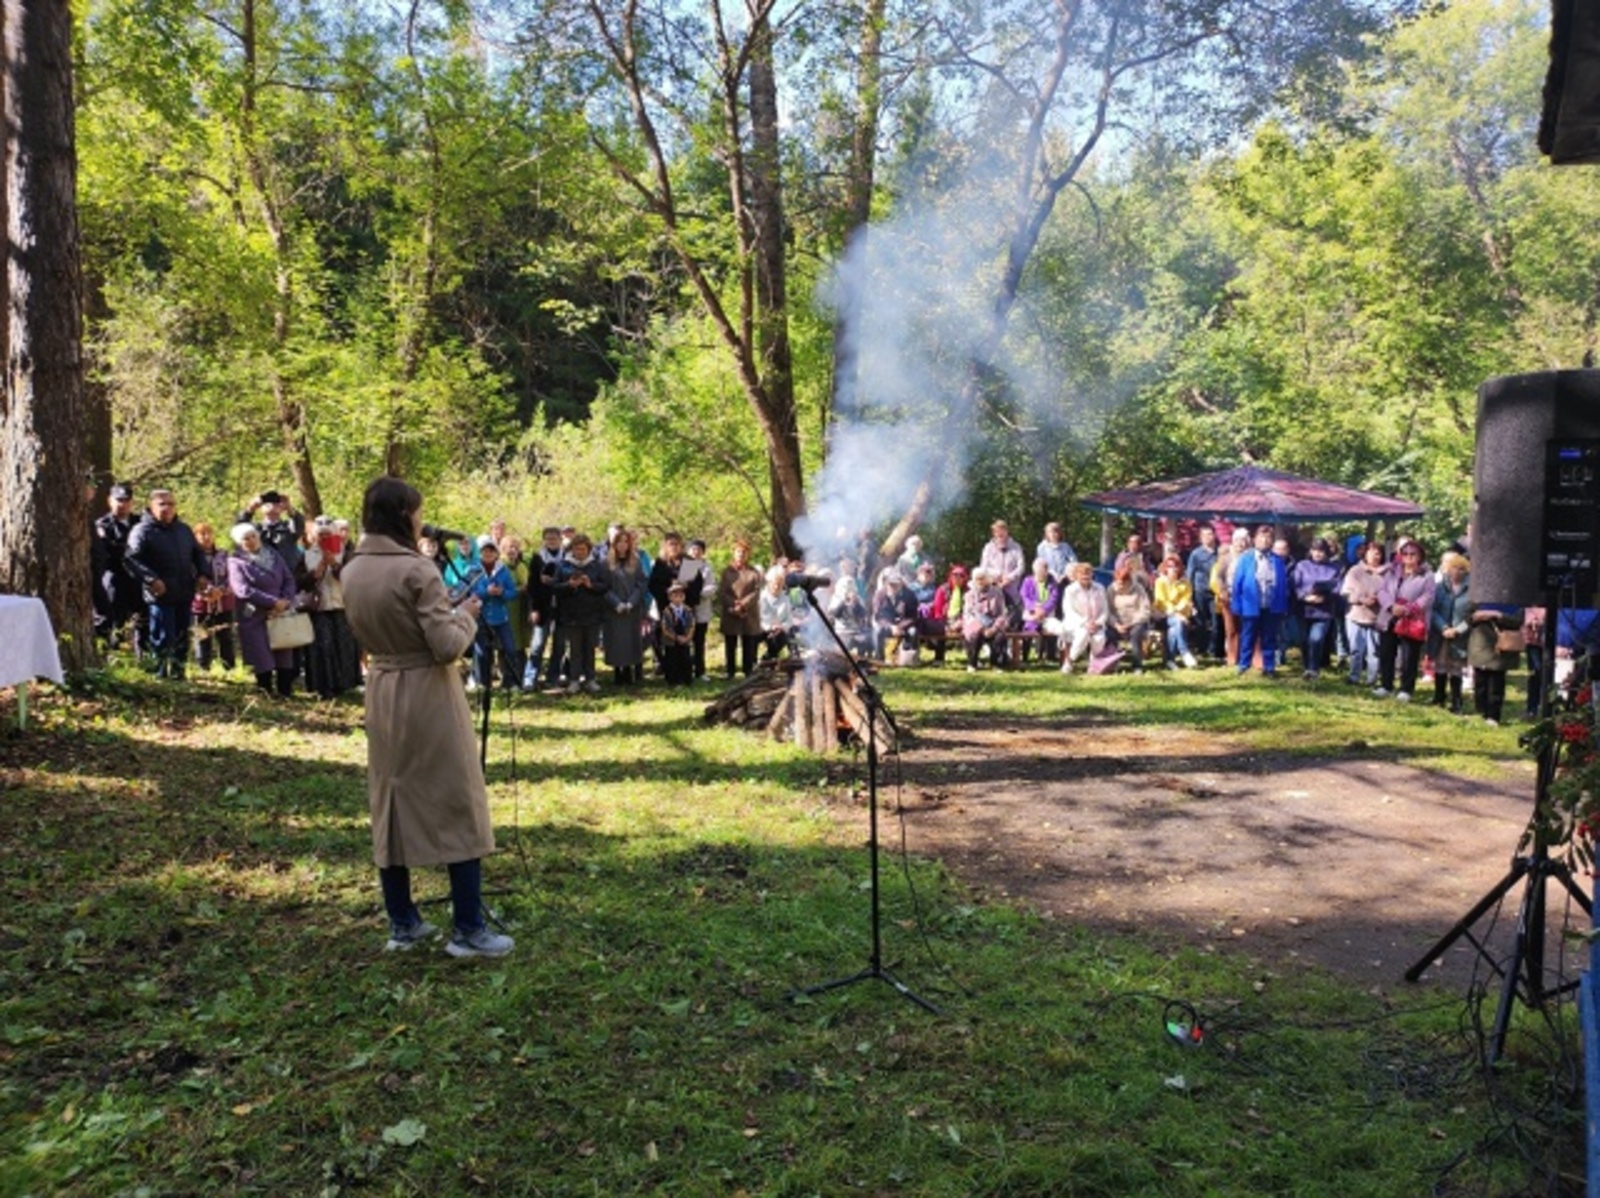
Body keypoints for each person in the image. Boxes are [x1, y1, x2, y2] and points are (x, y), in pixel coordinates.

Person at [341, 477, 511, 959]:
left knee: (391, 798)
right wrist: (469, 614)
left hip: (382, 686)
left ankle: (403, 922)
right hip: (427, 692)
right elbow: (447, 646)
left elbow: (393, 626)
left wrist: (445, 614)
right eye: (417, 511)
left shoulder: (353, 568)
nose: (421, 518)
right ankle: (469, 930)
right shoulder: (417, 570)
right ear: (402, 516)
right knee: (457, 797)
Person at [125, 489, 213, 680]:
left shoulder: (183, 530)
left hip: (184, 591)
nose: (167, 508)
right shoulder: (142, 530)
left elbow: (198, 554)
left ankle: (178, 673)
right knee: (163, 637)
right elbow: (132, 559)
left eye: (171, 504)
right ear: (151, 507)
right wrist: (151, 579)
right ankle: (160, 674)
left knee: (182, 636)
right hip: (160, 594)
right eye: (162, 504)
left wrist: (203, 574)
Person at [228, 523, 299, 696]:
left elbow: (289, 579)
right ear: (240, 542)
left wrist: (285, 601)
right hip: (254, 613)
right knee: (260, 653)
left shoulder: (273, 555)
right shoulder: (236, 561)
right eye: (246, 538)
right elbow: (241, 589)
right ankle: (265, 691)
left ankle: (285, 692)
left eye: (253, 536)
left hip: (280, 611)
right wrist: (272, 602)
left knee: (283, 649)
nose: (251, 541)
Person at [1374, 538, 1434, 702]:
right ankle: (1386, 685)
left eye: (1412, 554)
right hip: (1389, 617)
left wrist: (1408, 609)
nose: (1408, 557)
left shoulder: (1427, 575)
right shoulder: (1392, 571)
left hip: (1412, 620)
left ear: (1420, 556)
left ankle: (1406, 689)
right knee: (1386, 653)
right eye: (1405, 553)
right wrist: (1390, 606)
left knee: (1409, 656)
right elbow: (1381, 590)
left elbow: (1428, 597)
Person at [1229, 525, 1289, 678]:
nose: (1265, 540)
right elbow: (1237, 584)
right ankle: (1244, 665)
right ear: (1255, 540)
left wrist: (1282, 605)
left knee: (1269, 637)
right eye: (1261, 537)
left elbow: (1282, 584)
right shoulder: (1246, 559)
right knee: (1248, 636)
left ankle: (1269, 667)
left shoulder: (1277, 560)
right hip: (1250, 606)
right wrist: (1236, 605)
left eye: (1268, 538)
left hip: (1271, 606)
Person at [553, 533, 607, 694]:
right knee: (575, 650)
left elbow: (604, 587)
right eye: (577, 549)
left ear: (589, 550)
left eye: (583, 549)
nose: (580, 552)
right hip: (571, 616)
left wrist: (591, 585)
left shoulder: (597, 565)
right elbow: (555, 588)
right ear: (572, 550)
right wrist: (569, 585)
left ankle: (590, 679)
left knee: (590, 648)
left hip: (592, 614)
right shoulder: (563, 566)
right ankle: (574, 679)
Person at [92, 481, 142, 652]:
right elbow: (108, 552)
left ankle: (143, 656)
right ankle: (109, 652)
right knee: (112, 618)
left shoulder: (140, 523)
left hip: (137, 577)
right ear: (109, 501)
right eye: (118, 500)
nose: (122, 504)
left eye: (126, 500)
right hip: (113, 576)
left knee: (141, 618)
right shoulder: (101, 524)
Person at [468, 535, 521, 693]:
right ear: (480, 553)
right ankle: (484, 683)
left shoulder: (503, 570)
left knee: (510, 649)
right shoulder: (473, 569)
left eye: (491, 551)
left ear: (496, 553)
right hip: (481, 617)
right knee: (483, 652)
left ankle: (510, 682)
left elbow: (512, 593)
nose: (488, 554)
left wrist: (502, 592)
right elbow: (470, 592)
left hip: (501, 617)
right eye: (485, 551)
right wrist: (486, 592)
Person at [603, 528, 650, 686]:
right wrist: (616, 603)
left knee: (631, 640)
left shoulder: (635, 561)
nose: (622, 545)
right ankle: (617, 671)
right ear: (613, 544)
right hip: (614, 609)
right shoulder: (606, 562)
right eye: (619, 542)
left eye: (625, 542)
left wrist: (631, 602)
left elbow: (641, 584)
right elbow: (604, 587)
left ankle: (629, 671)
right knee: (616, 641)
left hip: (632, 608)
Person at [1291, 538, 1342, 680]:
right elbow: (1295, 585)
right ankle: (1307, 667)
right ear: (1310, 551)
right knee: (1304, 640)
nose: (1318, 554)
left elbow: (1338, 588)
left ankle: (1314, 669)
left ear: (1326, 552)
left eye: (1321, 551)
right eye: (1315, 550)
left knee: (1316, 638)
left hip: (1323, 611)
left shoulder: (1334, 568)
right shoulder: (1302, 566)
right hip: (1303, 609)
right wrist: (1304, 596)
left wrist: (1325, 597)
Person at [190, 521, 236, 673]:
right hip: (200, 604)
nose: (206, 537)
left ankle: (229, 668)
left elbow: (233, 577)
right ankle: (203, 667)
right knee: (202, 637)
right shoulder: (190, 557)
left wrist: (220, 591)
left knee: (226, 637)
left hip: (224, 602)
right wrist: (205, 592)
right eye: (202, 534)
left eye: (209, 533)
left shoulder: (224, 555)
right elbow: (189, 577)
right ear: (195, 537)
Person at [1467, 601, 1523, 726]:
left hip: (1501, 646)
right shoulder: (1478, 598)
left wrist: (1497, 615)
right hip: (1480, 645)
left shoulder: (1511, 599)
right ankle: (1480, 713)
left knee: (1496, 683)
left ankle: (1493, 716)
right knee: (1480, 682)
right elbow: (1467, 617)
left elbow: (1518, 620)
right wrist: (1478, 616)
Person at [1429, 551, 1471, 713]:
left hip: (1460, 635)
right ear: (1448, 569)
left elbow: (1471, 615)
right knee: (1440, 664)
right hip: (1441, 632)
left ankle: (1457, 701)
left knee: (1456, 667)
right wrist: (1443, 628)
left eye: (1461, 569)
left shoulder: (1471, 589)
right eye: (1454, 568)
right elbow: (1433, 610)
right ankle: (1439, 697)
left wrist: (1458, 630)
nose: (1457, 571)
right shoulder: (1439, 587)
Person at [1341, 541, 1387, 687]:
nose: (1375, 556)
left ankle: (1372, 678)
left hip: (1376, 617)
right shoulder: (1354, 571)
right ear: (1365, 554)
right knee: (1355, 649)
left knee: (1374, 651)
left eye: (1378, 553)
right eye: (1371, 552)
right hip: (1355, 615)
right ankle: (1354, 676)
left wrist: (1379, 599)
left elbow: (1392, 593)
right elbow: (1346, 592)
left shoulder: (1387, 573)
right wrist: (1361, 599)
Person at [718, 540, 764, 677]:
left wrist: (743, 604)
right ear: (734, 553)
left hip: (748, 613)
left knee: (748, 642)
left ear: (748, 554)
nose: (741, 555)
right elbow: (722, 592)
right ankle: (730, 671)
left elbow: (756, 592)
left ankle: (747, 670)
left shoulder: (754, 572)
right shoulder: (726, 572)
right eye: (738, 552)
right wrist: (733, 604)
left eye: (744, 552)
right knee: (730, 642)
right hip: (731, 611)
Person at [526, 526, 564, 691]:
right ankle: (530, 677)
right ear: (544, 540)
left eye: (554, 538)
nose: (552, 541)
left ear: (560, 539)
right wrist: (534, 609)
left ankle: (552, 677)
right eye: (548, 538)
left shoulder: (567, 557)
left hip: (563, 607)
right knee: (537, 644)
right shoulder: (537, 558)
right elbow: (532, 586)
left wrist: (555, 582)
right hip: (542, 607)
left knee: (559, 645)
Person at [1058, 561, 1110, 673]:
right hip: (1076, 623)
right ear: (1077, 576)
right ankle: (1069, 661)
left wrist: (1098, 623)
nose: (1086, 579)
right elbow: (1069, 611)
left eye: (1088, 576)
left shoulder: (1100, 588)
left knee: (1099, 639)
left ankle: (1094, 664)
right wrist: (1085, 623)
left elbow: (1105, 610)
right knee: (1083, 635)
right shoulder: (1070, 590)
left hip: (1096, 623)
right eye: (1083, 576)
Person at [238, 489, 306, 573]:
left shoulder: (288, 527)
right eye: (266, 503)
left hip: (290, 576)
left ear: (282, 508)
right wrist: (250, 508)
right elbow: (239, 530)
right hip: (265, 576)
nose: (272, 504)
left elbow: (300, 526)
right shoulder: (256, 529)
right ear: (261, 508)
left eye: (276, 502)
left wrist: (289, 508)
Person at [961, 567, 1011, 671]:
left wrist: (994, 628)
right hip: (975, 625)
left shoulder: (997, 593)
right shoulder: (969, 595)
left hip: (993, 624)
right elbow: (968, 615)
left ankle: (995, 663)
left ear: (987, 579)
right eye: (977, 579)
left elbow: (1002, 613)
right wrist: (982, 629)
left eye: (982, 578)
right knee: (974, 635)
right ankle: (972, 664)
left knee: (999, 636)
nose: (980, 581)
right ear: (974, 580)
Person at [1212, 527, 1250, 666]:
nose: (1241, 543)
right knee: (1231, 629)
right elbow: (1219, 576)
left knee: (1245, 628)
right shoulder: (1226, 558)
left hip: (1248, 598)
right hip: (1229, 597)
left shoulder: (1251, 556)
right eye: (1238, 540)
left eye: (1244, 540)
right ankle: (1232, 658)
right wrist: (1223, 591)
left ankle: (1246, 657)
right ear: (1233, 541)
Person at [1152, 554, 1197, 669]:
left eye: (1176, 566)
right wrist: (1177, 613)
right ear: (1165, 568)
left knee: (1174, 628)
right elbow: (1162, 602)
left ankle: (1169, 660)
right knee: (1178, 622)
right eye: (1170, 566)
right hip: (1162, 616)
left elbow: (1186, 601)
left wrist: (1180, 614)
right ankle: (1184, 652)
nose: (1174, 569)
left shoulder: (1185, 583)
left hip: (1181, 617)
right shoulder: (1160, 582)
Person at [1106, 563, 1152, 674]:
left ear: (1129, 581)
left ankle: (1137, 665)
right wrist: (1116, 625)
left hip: (1136, 621)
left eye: (1123, 583)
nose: (1120, 586)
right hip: (1117, 622)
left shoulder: (1139, 589)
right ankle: (1113, 663)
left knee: (1136, 635)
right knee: (1109, 635)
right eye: (1118, 583)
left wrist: (1131, 623)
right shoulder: (1111, 589)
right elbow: (1108, 611)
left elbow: (1145, 610)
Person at [1018, 557, 1061, 663]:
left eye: (1043, 572)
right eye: (1038, 572)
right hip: (1031, 613)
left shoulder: (1052, 582)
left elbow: (1054, 598)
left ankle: (1050, 656)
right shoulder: (1028, 581)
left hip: (1047, 614)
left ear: (1046, 571)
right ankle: (1025, 657)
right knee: (1028, 629)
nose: (1040, 575)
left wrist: (1044, 610)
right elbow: (1024, 596)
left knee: (1054, 629)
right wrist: (1034, 608)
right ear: (1034, 571)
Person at [1185, 525, 1218, 660]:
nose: (1208, 537)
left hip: (1215, 592)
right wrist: (1189, 595)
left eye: (1210, 534)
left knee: (1216, 622)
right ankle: (1201, 648)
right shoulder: (1196, 554)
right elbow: (1190, 574)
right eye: (1205, 535)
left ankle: (1214, 648)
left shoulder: (1220, 552)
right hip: (1200, 591)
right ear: (1201, 538)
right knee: (1200, 622)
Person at [685, 539, 716, 681]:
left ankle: (700, 670)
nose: (695, 552)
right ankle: (686, 669)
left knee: (699, 641)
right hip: (686, 609)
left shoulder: (707, 567)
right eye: (693, 549)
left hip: (702, 608)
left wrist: (698, 594)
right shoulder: (686, 566)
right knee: (686, 640)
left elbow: (712, 587)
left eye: (698, 550)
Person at [873, 571, 919, 660]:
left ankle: (909, 659)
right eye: (891, 584)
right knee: (877, 631)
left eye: (896, 584)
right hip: (887, 625)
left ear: (901, 583)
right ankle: (879, 658)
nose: (893, 587)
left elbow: (913, 616)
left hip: (904, 626)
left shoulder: (909, 595)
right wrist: (891, 626)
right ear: (886, 583)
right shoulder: (879, 595)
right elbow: (878, 616)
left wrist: (900, 626)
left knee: (913, 632)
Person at [980, 519, 1027, 606]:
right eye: (997, 531)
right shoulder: (988, 548)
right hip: (993, 585)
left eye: (1002, 530)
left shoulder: (1016, 547)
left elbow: (1021, 567)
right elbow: (983, 567)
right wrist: (998, 575)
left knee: (1011, 615)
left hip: (1012, 587)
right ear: (994, 533)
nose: (1000, 534)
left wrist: (1009, 578)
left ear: (1007, 531)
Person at [659, 581, 696, 686]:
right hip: (671, 641)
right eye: (675, 596)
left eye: (680, 596)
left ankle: (686, 679)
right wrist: (675, 637)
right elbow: (665, 627)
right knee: (672, 661)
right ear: (670, 597)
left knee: (685, 660)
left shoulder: (687, 610)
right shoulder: (667, 611)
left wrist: (687, 637)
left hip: (685, 639)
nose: (678, 599)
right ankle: (673, 681)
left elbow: (691, 624)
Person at [759, 564, 797, 660]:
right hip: (762, 629)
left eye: (780, 583)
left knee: (789, 632)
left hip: (779, 629)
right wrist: (770, 627)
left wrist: (782, 627)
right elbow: (757, 619)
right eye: (774, 583)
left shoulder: (785, 598)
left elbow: (789, 619)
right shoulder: (761, 597)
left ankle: (793, 655)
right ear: (769, 582)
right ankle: (752, 662)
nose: (776, 586)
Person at [1036, 522, 1077, 592]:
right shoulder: (1042, 547)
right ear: (1046, 534)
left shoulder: (1065, 546)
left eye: (1055, 532)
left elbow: (1074, 561)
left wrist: (1065, 574)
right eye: (1050, 532)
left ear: (1059, 533)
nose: (1053, 535)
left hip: (1065, 577)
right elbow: (1040, 563)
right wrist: (1053, 574)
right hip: (1049, 576)